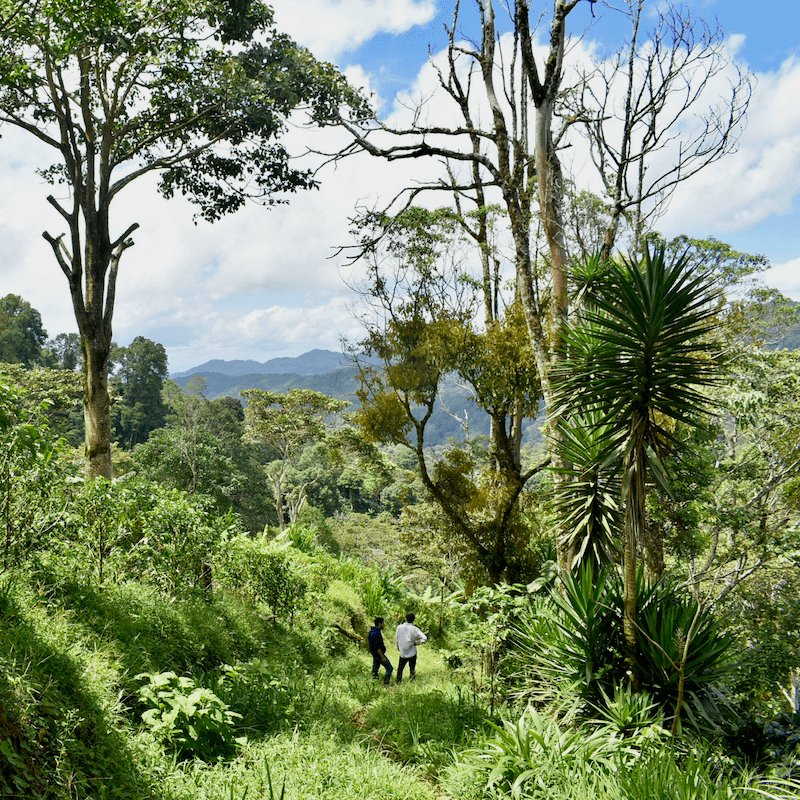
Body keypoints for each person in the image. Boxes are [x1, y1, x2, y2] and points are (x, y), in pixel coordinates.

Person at [395, 612, 427, 684]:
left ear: (405, 618)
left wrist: (398, 648)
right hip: (412, 651)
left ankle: (398, 681)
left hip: (403, 652)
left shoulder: (399, 627)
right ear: (413, 620)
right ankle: (412, 681)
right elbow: (424, 638)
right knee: (412, 668)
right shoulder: (415, 629)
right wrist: (417, 643)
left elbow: (396, 639)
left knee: (400, 668)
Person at [368, 617, 393, 684]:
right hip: (379, 655)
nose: (384, 625)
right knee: (389, 668)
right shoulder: (376, 634)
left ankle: (374, 683)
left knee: (375, 669)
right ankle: (386, 683)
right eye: (383, 623)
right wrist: (382, 657)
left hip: (375, 654)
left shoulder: (372, 632)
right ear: (379, 624)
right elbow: (377, 647)